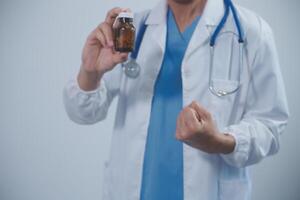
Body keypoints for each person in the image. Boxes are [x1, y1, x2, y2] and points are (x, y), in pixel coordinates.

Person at [63, 0, 289, 199]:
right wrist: (91, 72)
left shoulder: (252, 32)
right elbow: (83, 113)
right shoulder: (131, 30)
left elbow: (270, 125)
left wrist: (220, 142)